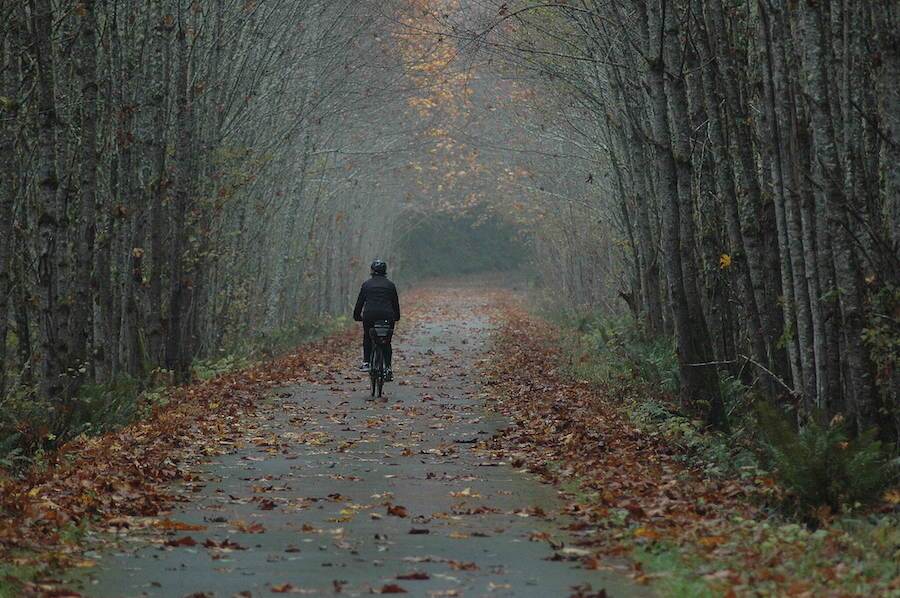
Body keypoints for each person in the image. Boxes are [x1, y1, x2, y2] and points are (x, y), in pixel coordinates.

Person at [353, 259, 400, 380]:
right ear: (385, 271)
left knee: (368, 336)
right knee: (386, 341)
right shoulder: (390, 285)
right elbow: (395, 303)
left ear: (372, 271)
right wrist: (396, 316)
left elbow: (360, 303)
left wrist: (357, 316)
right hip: (387, 316)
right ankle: (388, 368)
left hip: (370, 315)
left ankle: (366, 362)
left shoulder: (367, 285)